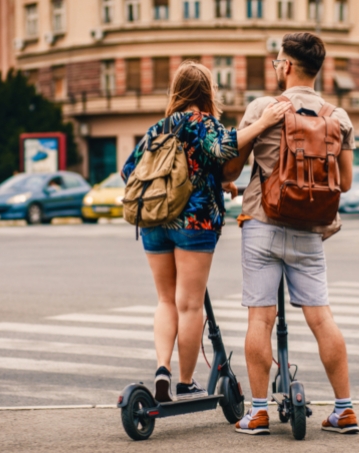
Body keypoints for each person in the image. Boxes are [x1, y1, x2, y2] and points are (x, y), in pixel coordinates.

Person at [121, 61, 289, 402]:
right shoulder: (202, 122)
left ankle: (162, 370)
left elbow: (129, 171)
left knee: (166, 301)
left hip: (154, 223)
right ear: (206, 93)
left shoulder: (159, 127)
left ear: (176, 92)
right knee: (189, 305)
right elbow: (226, 147)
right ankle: (184, 382)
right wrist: (263, 122)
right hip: (194, 223)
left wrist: (215, 181)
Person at [222, 32, 359, 435]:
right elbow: (346, 183)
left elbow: (231, 170)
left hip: (262, 223)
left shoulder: (264, 108)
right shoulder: (339, 117)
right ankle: (344, 409)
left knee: (260, 319)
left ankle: (259, 411)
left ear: (287, 66)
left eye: (277, 61)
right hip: (311, 229)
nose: (276, 66)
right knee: (321, 318)